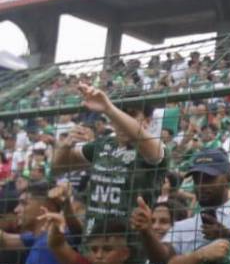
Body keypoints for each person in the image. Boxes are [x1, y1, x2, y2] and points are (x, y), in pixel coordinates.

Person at [50, 84, 166, 235]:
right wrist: (65, 145)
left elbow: (151, 150)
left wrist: (110, 109)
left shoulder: (156, 147)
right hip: (93, 240)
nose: (121, 120)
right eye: (118, 114)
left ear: (148, 120)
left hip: (132, 242)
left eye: (131, 114)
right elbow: (57, 168)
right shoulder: (103, 144)